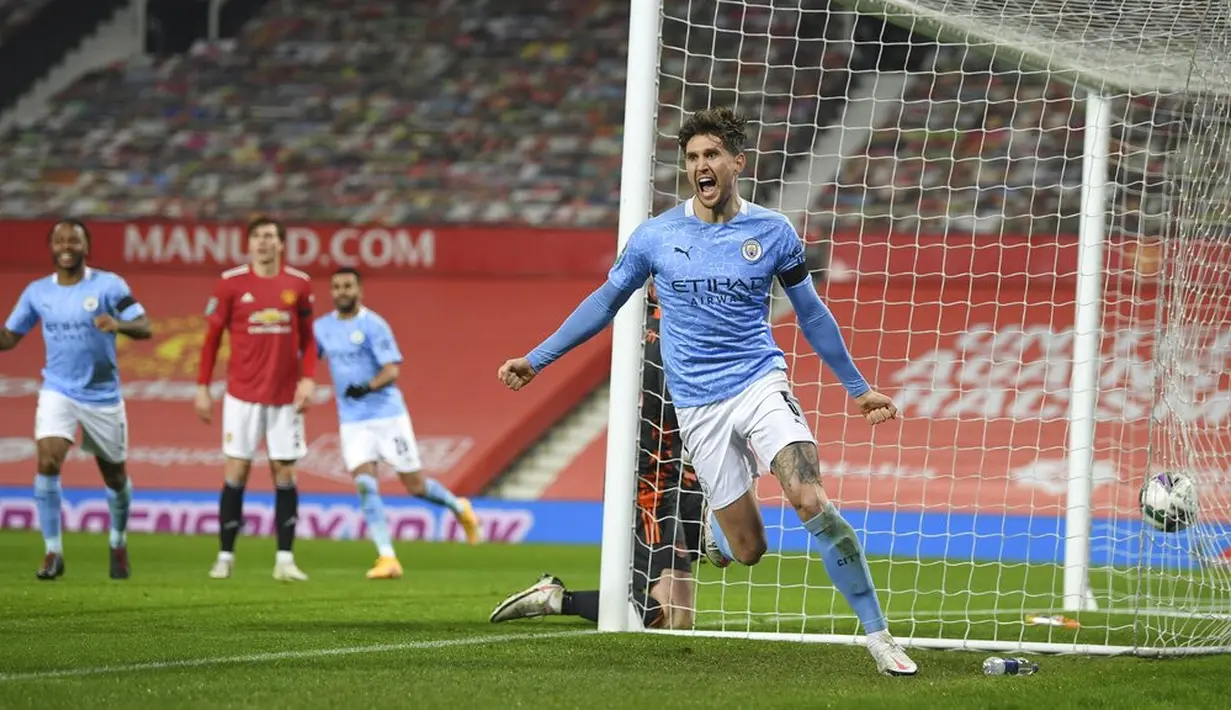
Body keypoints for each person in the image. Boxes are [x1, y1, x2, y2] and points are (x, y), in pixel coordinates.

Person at [496, 107, 917, 676]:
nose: (701, 165)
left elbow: (812, 314)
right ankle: (722, 536)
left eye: (712, 154)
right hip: (696, 404)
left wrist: (859, 388)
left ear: (737, 163)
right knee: (749, 551)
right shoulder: (656, 236)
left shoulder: (772, 232)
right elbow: (604, 303)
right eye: (693, 157)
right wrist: (537, 359)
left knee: (808, 496)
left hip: (759, 382)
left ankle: (879, 634)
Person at [491, 288, 704, 629]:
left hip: (671, 478)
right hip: (648, 486)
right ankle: (558, 599)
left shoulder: (655, 331)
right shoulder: (667, 339)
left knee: (680, 620)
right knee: (664, 617)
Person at [0, 220, 152, 580]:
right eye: (60, 240)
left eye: (74, 240)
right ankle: (53, 551)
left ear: (87, 247)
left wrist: (119, 325)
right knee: (48, 460)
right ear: (52, 248)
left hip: (102, 396)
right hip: (58, 391)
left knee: (114, 477)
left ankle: (117, 540)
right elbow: (9, 337)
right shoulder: (37, 293)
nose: (66, 245)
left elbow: (145, 326)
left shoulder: (109, 286)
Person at [313, 267, 482, 578]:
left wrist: (366, 387)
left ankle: (459, 507)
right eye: (336, 286)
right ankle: (387, 557)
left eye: (348, 285)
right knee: (365, 483)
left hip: (388, 416)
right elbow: (307, 360)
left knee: (414, 486)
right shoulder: (321, 328)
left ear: (359, 290)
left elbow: (392, 370)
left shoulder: (374, 325)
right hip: (352, 422)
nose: (342, 291)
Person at [195, 216, 317, 582]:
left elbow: (308, 339)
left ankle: (284, 559)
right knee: (237, 470)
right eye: (257, 237)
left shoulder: (299, 284)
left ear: (281, 244)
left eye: (270, 237)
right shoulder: (231, 284)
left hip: (284, 396)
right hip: (242, 395)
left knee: (285, 471)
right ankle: (225, 556)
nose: (263, 243)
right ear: (249, 245)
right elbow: (211, 338)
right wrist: (202, 387)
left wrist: (308, 379)